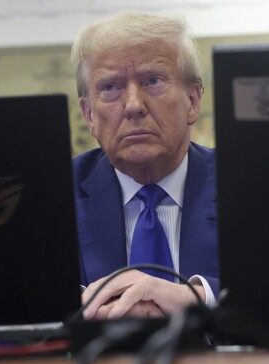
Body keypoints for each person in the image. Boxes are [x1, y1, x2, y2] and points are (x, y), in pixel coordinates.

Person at [71, 12, 218, 320]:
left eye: (153, 80)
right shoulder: (54, 193)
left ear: (192, 101)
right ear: (89, 115)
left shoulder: (244, 183)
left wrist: (198, 296)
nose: (134, 105)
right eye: (110, 87)